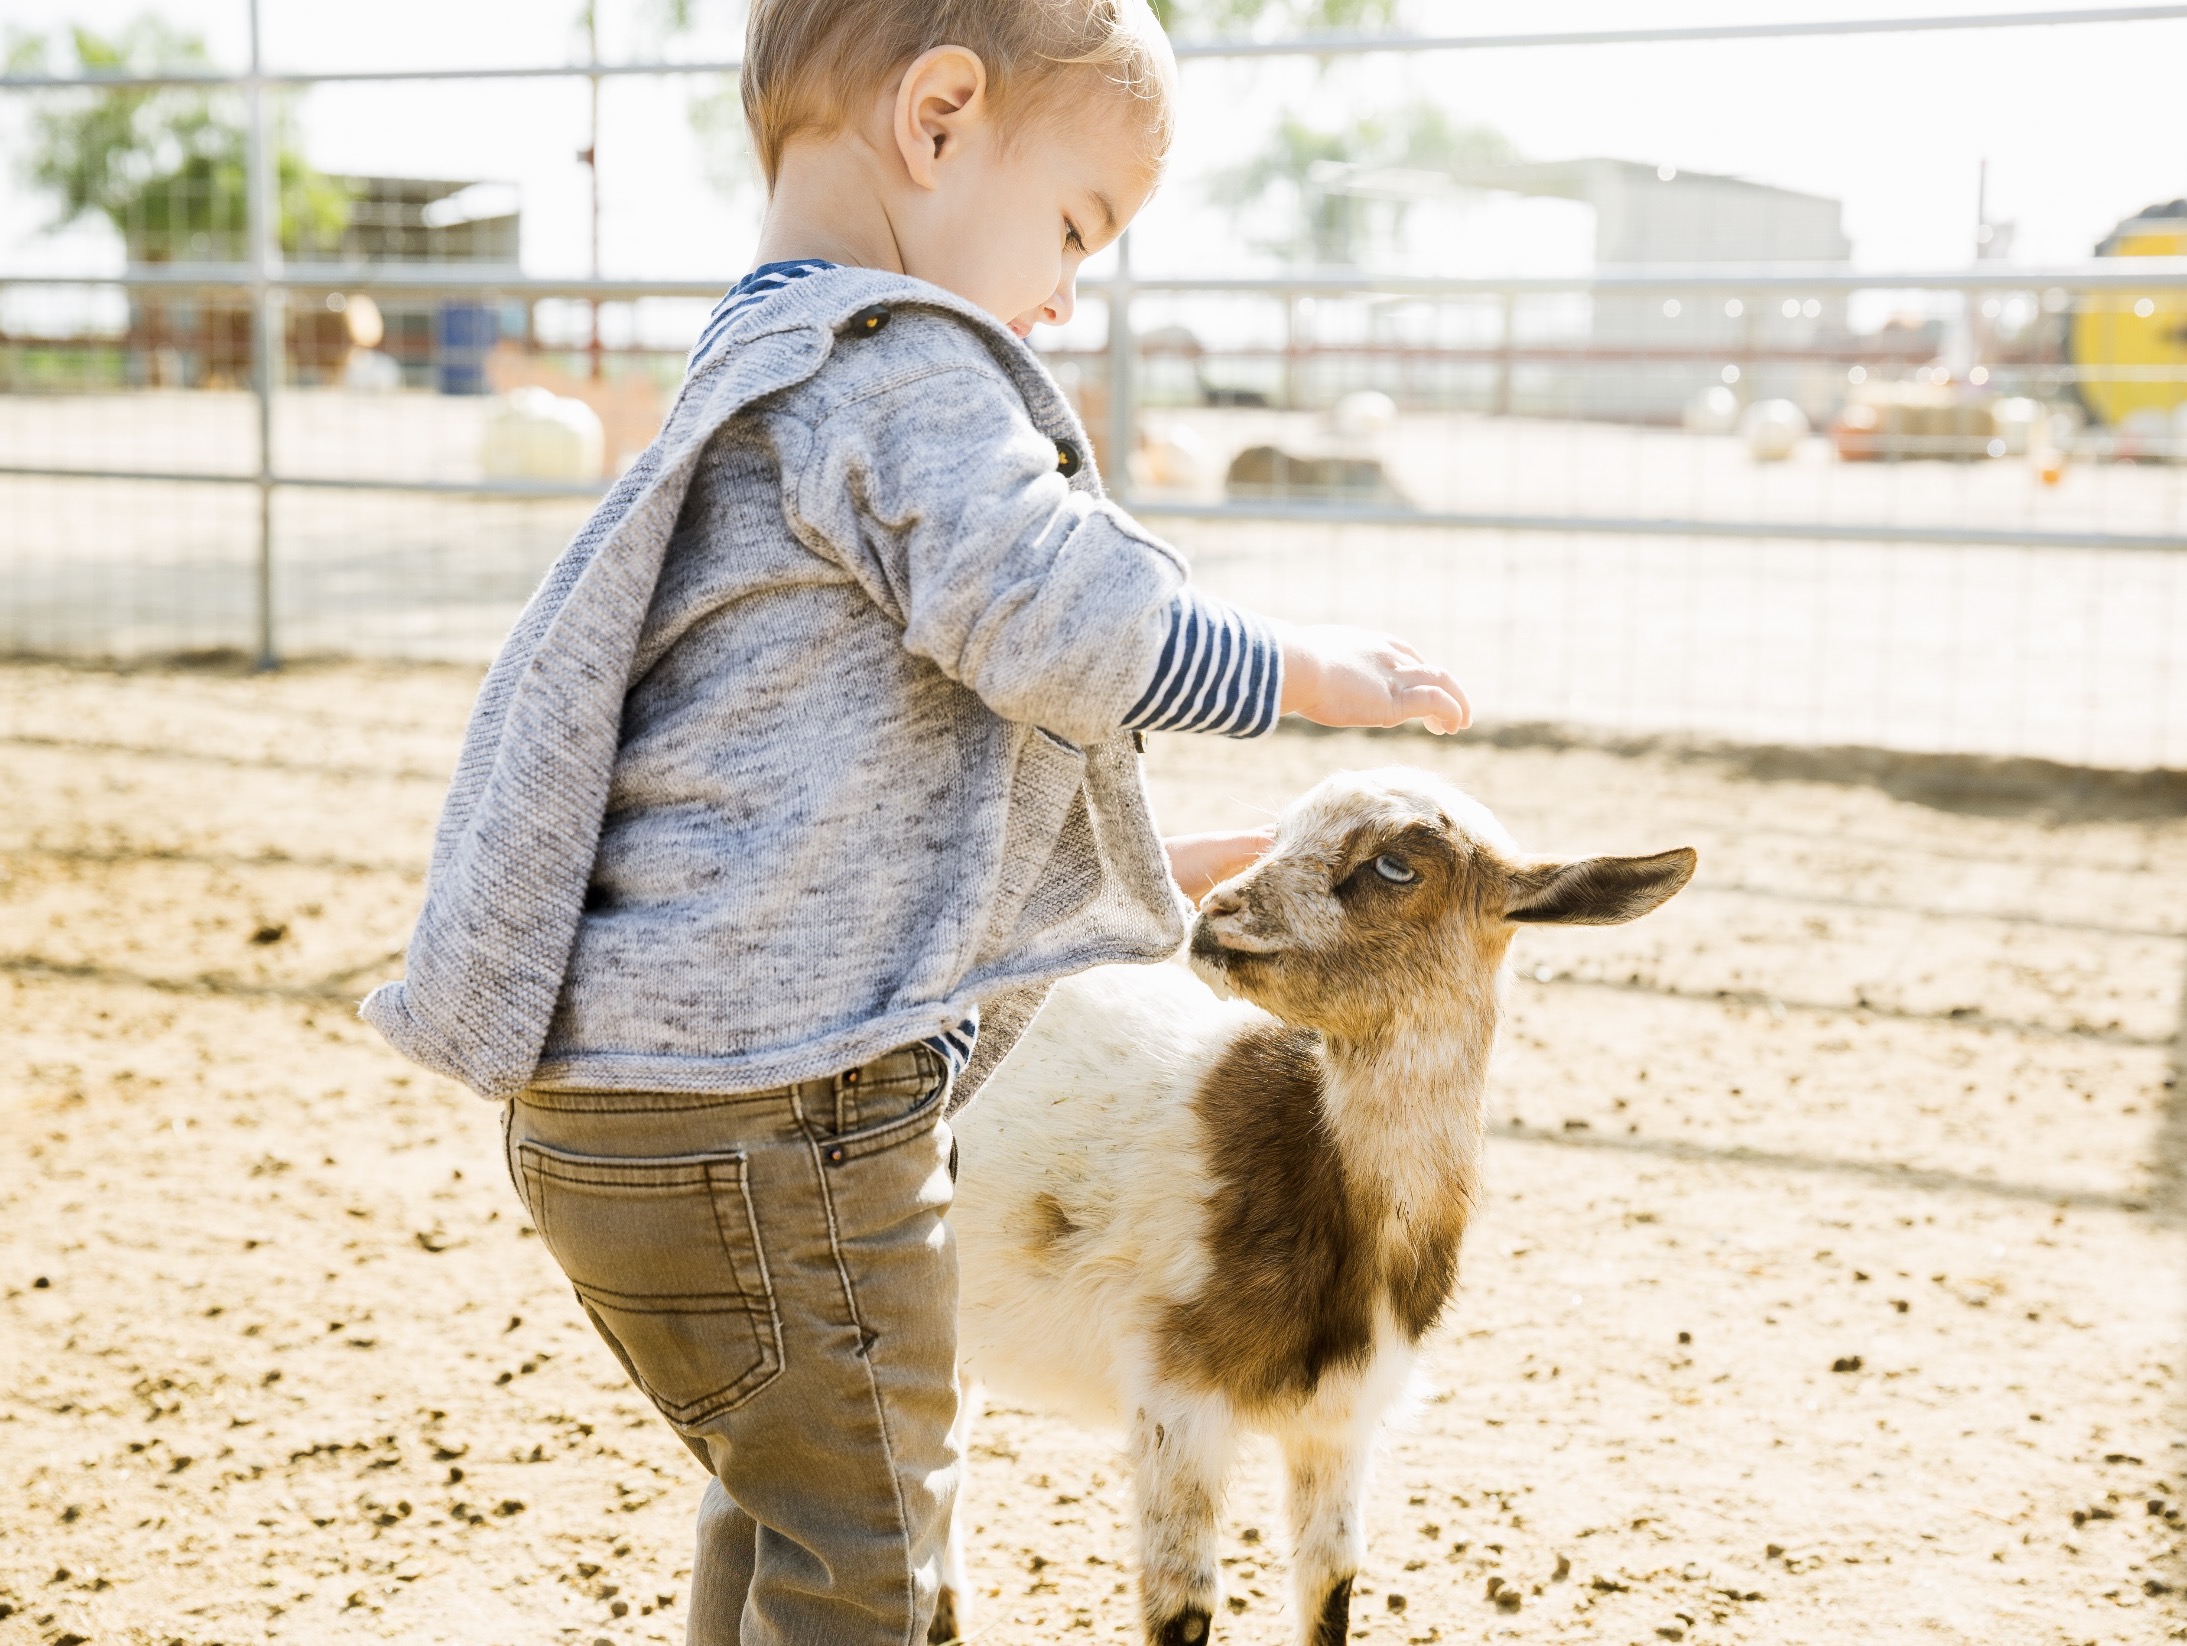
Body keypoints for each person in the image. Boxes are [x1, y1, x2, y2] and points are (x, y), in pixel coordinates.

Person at [360, 0, 1470, 1639]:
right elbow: (1053, 609)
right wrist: (1303, 666)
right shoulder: (905, 363)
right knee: (876, 1553)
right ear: (938, 121)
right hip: (782, 1122)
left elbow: (836, 798)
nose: (1064, 296)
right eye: (1076, 229)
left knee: (788, 1488)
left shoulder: (752, 376)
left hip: (616, 1124)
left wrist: (1164, 867)